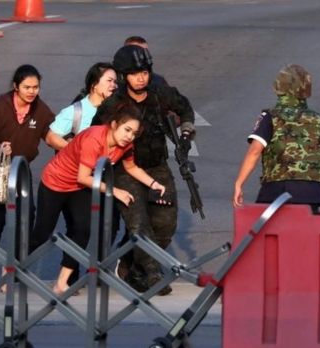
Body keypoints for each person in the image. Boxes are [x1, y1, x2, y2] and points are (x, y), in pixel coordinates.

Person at [31, 101, 166, 294]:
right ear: (114, 125)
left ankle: (61, 282)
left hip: (79, 187)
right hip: (56, 182)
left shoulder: (125, 146)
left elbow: (131, 168)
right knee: (42, 233)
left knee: (83, 229)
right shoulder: (94, 138)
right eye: (126, 130)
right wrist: (115, 191)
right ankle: (8, 270)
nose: (129, 137)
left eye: (134, 133)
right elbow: (83, 177)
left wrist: (154, 184)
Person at [92, 45, 196, 295]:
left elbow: (185, 108)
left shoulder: (161, 94)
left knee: (165, 222)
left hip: (156, 166)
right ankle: (152, 274)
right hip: (124, 170)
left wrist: (186, 131)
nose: (141, 77)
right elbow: (96, 133)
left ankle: (131, 265)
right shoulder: (114, 104)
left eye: (145, 72)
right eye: (134, 73)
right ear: (122, 75)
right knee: (138, 223)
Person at [0, 64, 55, 288]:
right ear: (15, 87)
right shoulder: (0, 107)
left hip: (20, 168)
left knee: (27, 215)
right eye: (27, 87)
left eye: (36, 87)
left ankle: (16, 267)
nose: (31, 92)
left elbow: (53, 131)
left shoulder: (40, 109)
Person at [45, 62, 117, 286]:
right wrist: (74, 151)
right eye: (109, 81)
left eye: (116, 81)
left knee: (105, 225)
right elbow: (50, 136)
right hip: (72, 178)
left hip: (101, 178)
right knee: (75, 227)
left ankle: (94, 273)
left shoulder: (116, 111)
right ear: (95, 85)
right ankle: (69, 275)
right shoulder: (77, 111)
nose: (114, 85)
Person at [233, 64, 320, 208]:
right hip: (316, 191)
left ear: (279, 87)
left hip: (278, 190)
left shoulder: (270, 117)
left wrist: (239, 183)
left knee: (263, 227)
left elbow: (255, 151)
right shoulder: (319, 120)